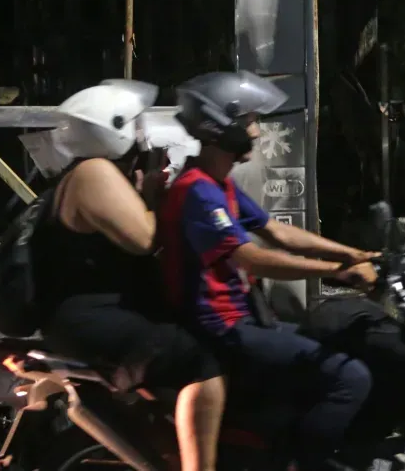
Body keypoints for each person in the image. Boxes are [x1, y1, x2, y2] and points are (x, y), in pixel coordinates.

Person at [157, 70, 380, 471]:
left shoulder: (218, 184)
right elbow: (250, 257)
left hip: (246, 319)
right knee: (351, 378)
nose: (257, 132)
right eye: (249, 122)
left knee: (348, 346)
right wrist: (337, 271)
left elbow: (277, 232)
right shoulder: (197, 191)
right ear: (220, 129)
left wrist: (354, 254)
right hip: (222, 328)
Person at [32, 79, 226, 471]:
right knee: (199, 360)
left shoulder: (88, 174)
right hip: (91, 318)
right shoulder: (93, 173)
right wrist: (159, 197)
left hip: (93, 312)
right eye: (135, 126)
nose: (143, 138)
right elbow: (145, 238)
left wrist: (149, 192)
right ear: (112, 128)